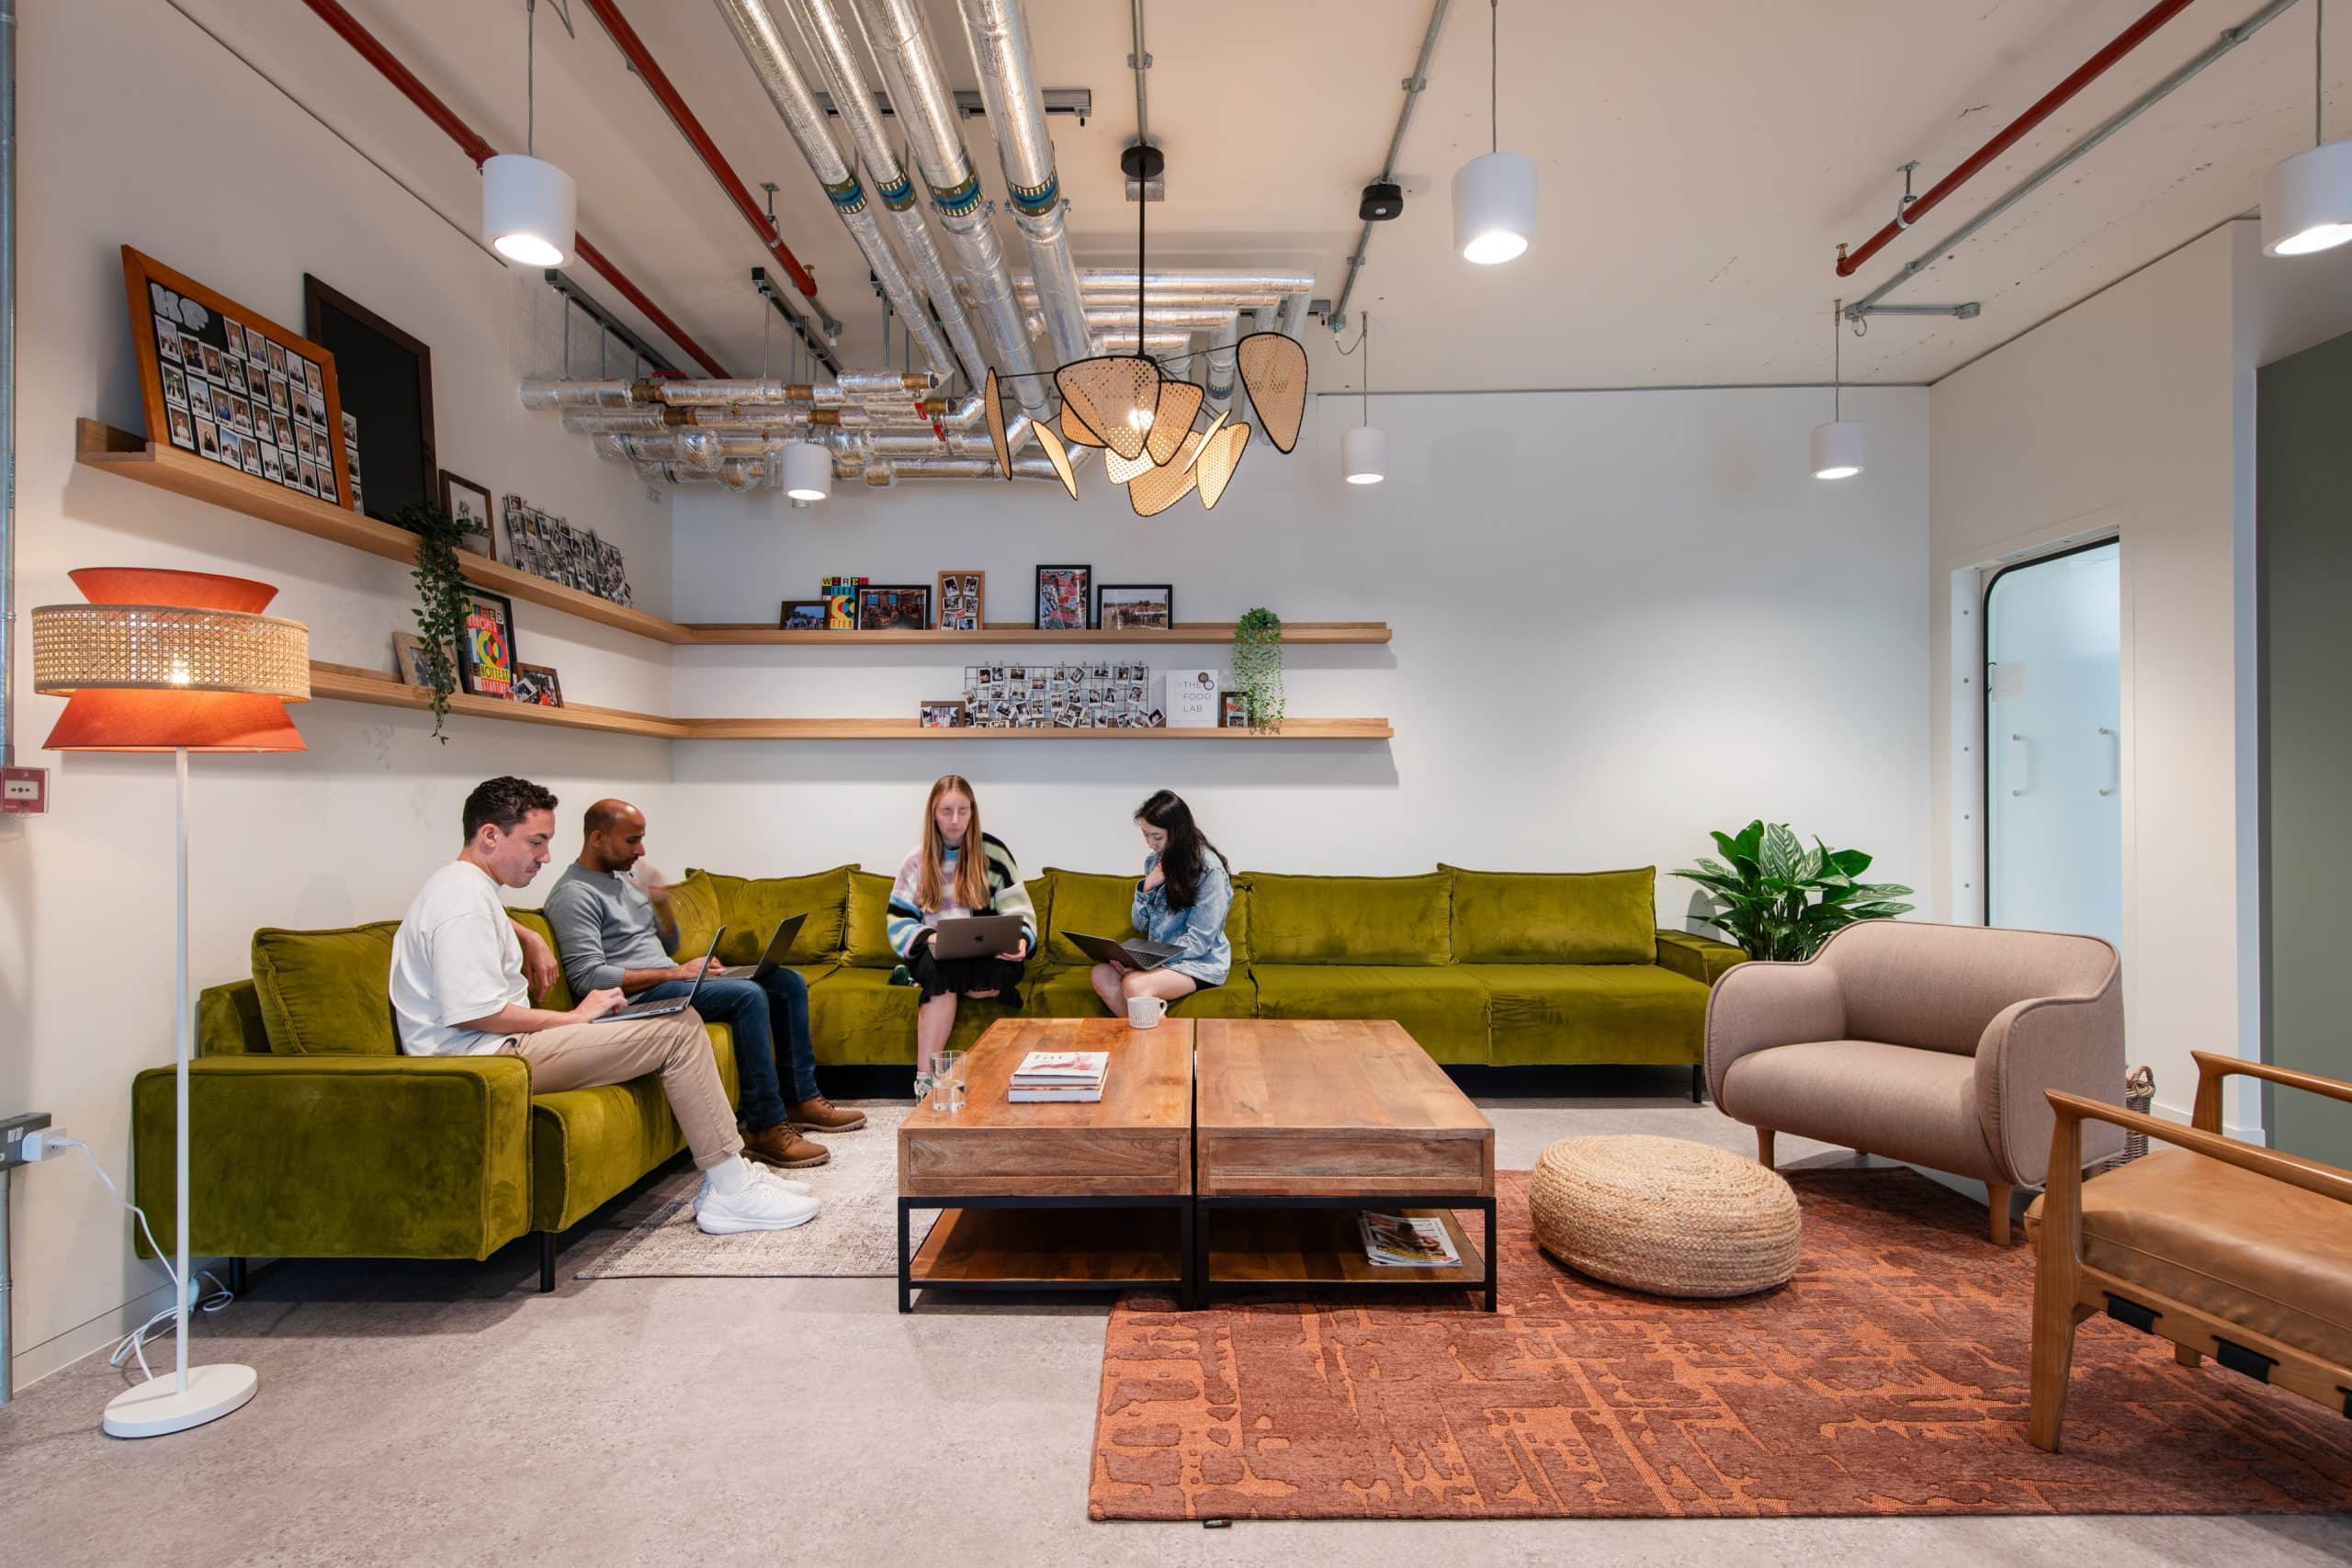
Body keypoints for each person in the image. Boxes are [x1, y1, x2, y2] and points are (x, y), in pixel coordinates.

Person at [390, 776, 817, 1235]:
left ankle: (734, 1174)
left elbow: (476, 931)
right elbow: (475, 1013)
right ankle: (731, 1189)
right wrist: (573, 1018)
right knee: (677, 1031)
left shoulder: (466, 890)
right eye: (536, 842)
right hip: (486, 1059)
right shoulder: (463, 903)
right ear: (490, 835)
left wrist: (527, 933)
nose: (545, 857)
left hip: (499, 1047)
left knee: (683, 1017)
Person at [544, 798, 866, 1172]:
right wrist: (675, 974)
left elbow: (666, 947)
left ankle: (802, 1100)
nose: (642, 850)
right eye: (632, 841)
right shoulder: (573, 894)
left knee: (785, 980)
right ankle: (764, 1129)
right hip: (634, 998)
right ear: (598, 838)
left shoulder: (624, 879)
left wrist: (663, 907)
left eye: (642, 839)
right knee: (747, 996)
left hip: (670, 979)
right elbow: (588, 977)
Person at [888, 774, 1035, 1095]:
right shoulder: (916, 861)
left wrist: (1022, 940)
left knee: (1002, 971)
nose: (955, 821)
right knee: (941, 974)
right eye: (946, 812)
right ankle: (926, 1081)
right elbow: (898, 924)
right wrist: (930, 937)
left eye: (963, 811)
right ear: (933, 814)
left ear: (973, 812)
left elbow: (1019, 911)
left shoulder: (994, 854)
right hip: (935, 953)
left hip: (982, 952)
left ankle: (954, 983)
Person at [1091, 789, 1233, 1015]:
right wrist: (1147, 887)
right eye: (1146, 835)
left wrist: (1152, 963)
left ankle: (1168, 1045)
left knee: (1134, 984)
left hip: (1200, 963)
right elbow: (1140, 924)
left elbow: (1200, 941)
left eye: (1156, 837)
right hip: (1163, 958)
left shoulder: (1209, 870)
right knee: (1100, 974)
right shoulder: (1154, 862)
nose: (1150, 844)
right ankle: (1146, 1039)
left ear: (1178, 833)